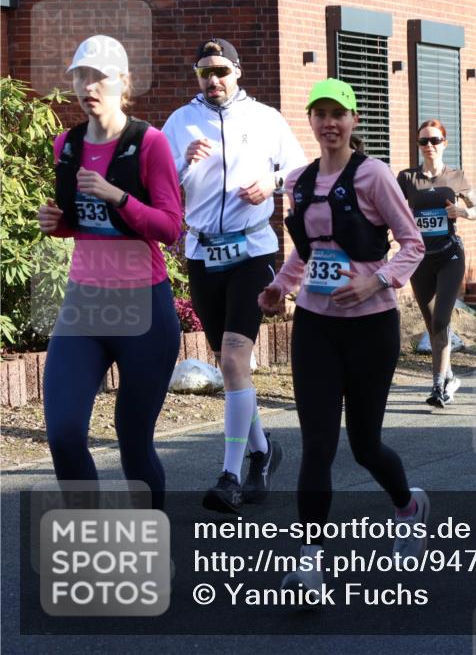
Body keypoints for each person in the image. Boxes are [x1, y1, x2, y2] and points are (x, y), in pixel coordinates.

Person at [258, 79, 428, 592]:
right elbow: (308, 251)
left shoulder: (374, 175)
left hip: (372, 326)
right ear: (311, 120)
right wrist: (280, 286)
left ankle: (408, 507)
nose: (329, 123)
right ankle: (310, 562)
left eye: (339, 114)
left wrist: (376, 280)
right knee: (317, 443)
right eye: (321, 114)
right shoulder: (299, 180)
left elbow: (412, 243)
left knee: (365, 444)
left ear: (354, 121)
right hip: (315, 325)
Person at [38, 35, 183, 510]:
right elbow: (81, 225)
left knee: (133, 443)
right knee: (63, 434)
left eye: (98, 77)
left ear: (123, 82)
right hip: (84, 305)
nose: (88, 86)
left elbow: (170, 228)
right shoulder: (67, 144)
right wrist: (56, 223)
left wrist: (117, 196)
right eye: (80, 76)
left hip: (144, 307)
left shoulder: (149, 143)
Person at [162, 38, 306, 513]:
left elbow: (302, 170)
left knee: (233, 357)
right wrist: (183, 162)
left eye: (221, 70)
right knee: (229, 363)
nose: (214, 79)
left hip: (252, 251)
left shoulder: (265, 118)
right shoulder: (179, 123)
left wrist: (273, 182)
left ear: (237, 72)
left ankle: (230, 475)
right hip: (203, 253)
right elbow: (156, 184)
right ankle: (263, 450)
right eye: (205, 72)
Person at [396, 119, 476, 407]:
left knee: (441, 320)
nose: (429, 146)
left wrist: (463, 212)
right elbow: (390, 208)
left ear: (444, 143)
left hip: (450, 255)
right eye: (424, 141)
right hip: (419, 258)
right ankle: (449, 377)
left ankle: (437, 387)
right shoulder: (407, 178)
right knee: (431, 323)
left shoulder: (455, 177)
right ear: (418, 145)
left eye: (435, 140)